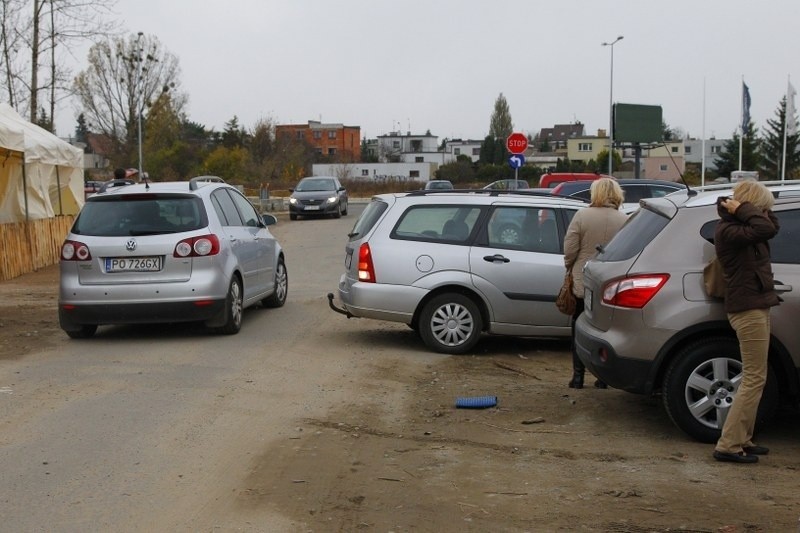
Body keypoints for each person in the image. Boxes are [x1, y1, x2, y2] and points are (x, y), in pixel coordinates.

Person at [712, 181, 780, 464]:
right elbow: (765, 229)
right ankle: (728, 445)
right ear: (746, 207)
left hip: (758, 304)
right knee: (753, 378)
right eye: (761, 208)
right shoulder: (730, 231)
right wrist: (744, 208)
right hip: (746, 308)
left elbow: (770, 226)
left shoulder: (746, 227)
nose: (765, 213)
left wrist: (752, 208)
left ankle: (743, 438)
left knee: (756, 378)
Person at [563, 177, 627, 389]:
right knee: (607, 332)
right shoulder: (625, 219)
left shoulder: (582, 216)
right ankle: (603, 378)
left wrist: (570, 266)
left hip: (584, 282)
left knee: (579, 328)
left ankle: (578, 376)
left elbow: (570, 249)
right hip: (612, 285)